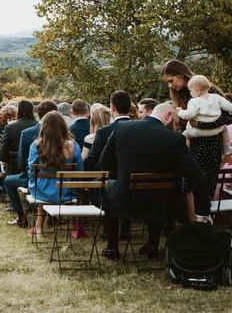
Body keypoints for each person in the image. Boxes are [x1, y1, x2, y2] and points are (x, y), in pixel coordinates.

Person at [98, 103, 211, 260]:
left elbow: (104, 162)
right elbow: (197, 176)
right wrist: (202, 211)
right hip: (161, 205)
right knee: (160, 194)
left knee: (108, 192)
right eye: (177, 122)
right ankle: (152, 244)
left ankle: (112, 247)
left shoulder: (122, 128)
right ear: (168, 116)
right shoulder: (174, 139)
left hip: (125, 200)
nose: (177, 127)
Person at [161, 59, 231, 203]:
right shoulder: (180, 97)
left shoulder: (207, 91)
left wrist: (200, 125)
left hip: (209, 147)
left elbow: (227, 119)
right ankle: (196, 222)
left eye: (171, 80)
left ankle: (201, 222)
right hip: (191, 149)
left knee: (203, 189)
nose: (170, 85)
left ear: (181, 75)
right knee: (189, 187)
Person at [27, 111, 83, 237]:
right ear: (63, 126)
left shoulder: (36, 146)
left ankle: (39, 228)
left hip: (42, 192)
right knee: (48, 185)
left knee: (40, 184)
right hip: (67, 192)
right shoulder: (73, 145)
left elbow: (31, 170)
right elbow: (79, 170)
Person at [4, 100, 58, 227]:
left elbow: (22, 163)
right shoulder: (65, 135)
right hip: (61, 183)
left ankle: (21, 217)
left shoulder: (28, 133)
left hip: (36, 181)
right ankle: (51, 216)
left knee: (7, 180)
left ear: (38, 114)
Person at [177, 75, 232, 155]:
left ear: (197, 90)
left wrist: (180, 111)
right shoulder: (217, 97)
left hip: (197, 132)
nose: (190, 92)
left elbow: (189, 115)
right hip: (216, 130)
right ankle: (227, 149)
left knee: (185, 136)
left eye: (190, 90)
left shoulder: (194, 101)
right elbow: (229, 106)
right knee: (225, 129)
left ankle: (187, 153)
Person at [84, 90, 132, 170]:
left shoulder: (103, 132)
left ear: (112, 108)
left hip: (111, 177)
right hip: (135, 178)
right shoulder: (142, 129)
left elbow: (91, 161)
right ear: (129, 107)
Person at [0, 101, 37, 176]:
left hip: (15, 169)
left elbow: (2, 155)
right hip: (35, 169)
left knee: (8, 182)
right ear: (32, 111)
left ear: (18, 111)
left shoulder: (10, 128)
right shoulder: (39, 126)